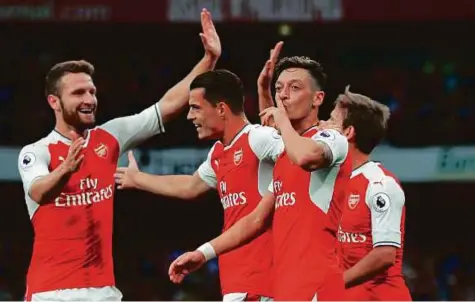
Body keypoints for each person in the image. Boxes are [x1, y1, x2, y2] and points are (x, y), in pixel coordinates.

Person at [17, 9, 221, 302]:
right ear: (54, 102)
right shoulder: (35, 152)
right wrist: (65, 170)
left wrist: (209, 60)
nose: (89, 99)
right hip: (51, 293)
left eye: (92, 91)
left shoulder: (110, 137)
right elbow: (37, 191)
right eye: (78, 93)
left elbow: (166, 105)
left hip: (104, 292)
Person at [169, 57, 352, 301]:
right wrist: (203, 254)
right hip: (286, 287)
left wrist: (281, 119)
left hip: (319, 286)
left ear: (317, 98)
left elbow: (306, 156)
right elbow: (254, 220)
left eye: (295, 88)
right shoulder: (283, 159)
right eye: (279, 89)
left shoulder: (330, 138)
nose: (284, 96)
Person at [113, 52, 285, 300]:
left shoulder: (257, 138)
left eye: (195, 108)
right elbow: (191, 185)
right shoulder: (218, 152)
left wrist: (266, 98)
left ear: (222, 109)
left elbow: (296, 154)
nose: (189, 116)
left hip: (263, 277)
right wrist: (137, 179)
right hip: (236, 277)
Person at [321, 87, 411, 301]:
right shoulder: (332, 181)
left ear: (348, 132)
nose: (322, 125)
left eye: (331, 120)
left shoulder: (380, 184)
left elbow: (385, 255)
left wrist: (332, 286)